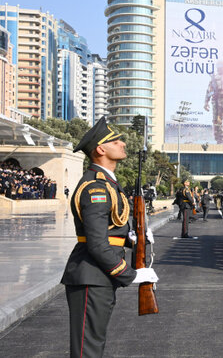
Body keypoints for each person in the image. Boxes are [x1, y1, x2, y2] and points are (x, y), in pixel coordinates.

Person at [61, 116, 158, 358]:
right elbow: (96, 243)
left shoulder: (108, 184)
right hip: (91, 274)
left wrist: (131, 239)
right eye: (115, 141)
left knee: (94, 343)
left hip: (99, 275)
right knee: (87, 349)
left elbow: (108, 230)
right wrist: (131, 274)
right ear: (101, 149)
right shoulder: (96, 187)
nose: (122, 144)